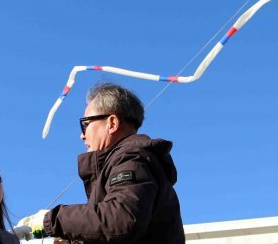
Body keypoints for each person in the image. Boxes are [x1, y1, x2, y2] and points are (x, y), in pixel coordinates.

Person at [19, 83, 185, 243]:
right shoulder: (132, 159)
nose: (82, 136)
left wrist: (50, 220)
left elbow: (123, 217)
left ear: (112, 123)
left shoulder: (132, 158)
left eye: (86, 124)